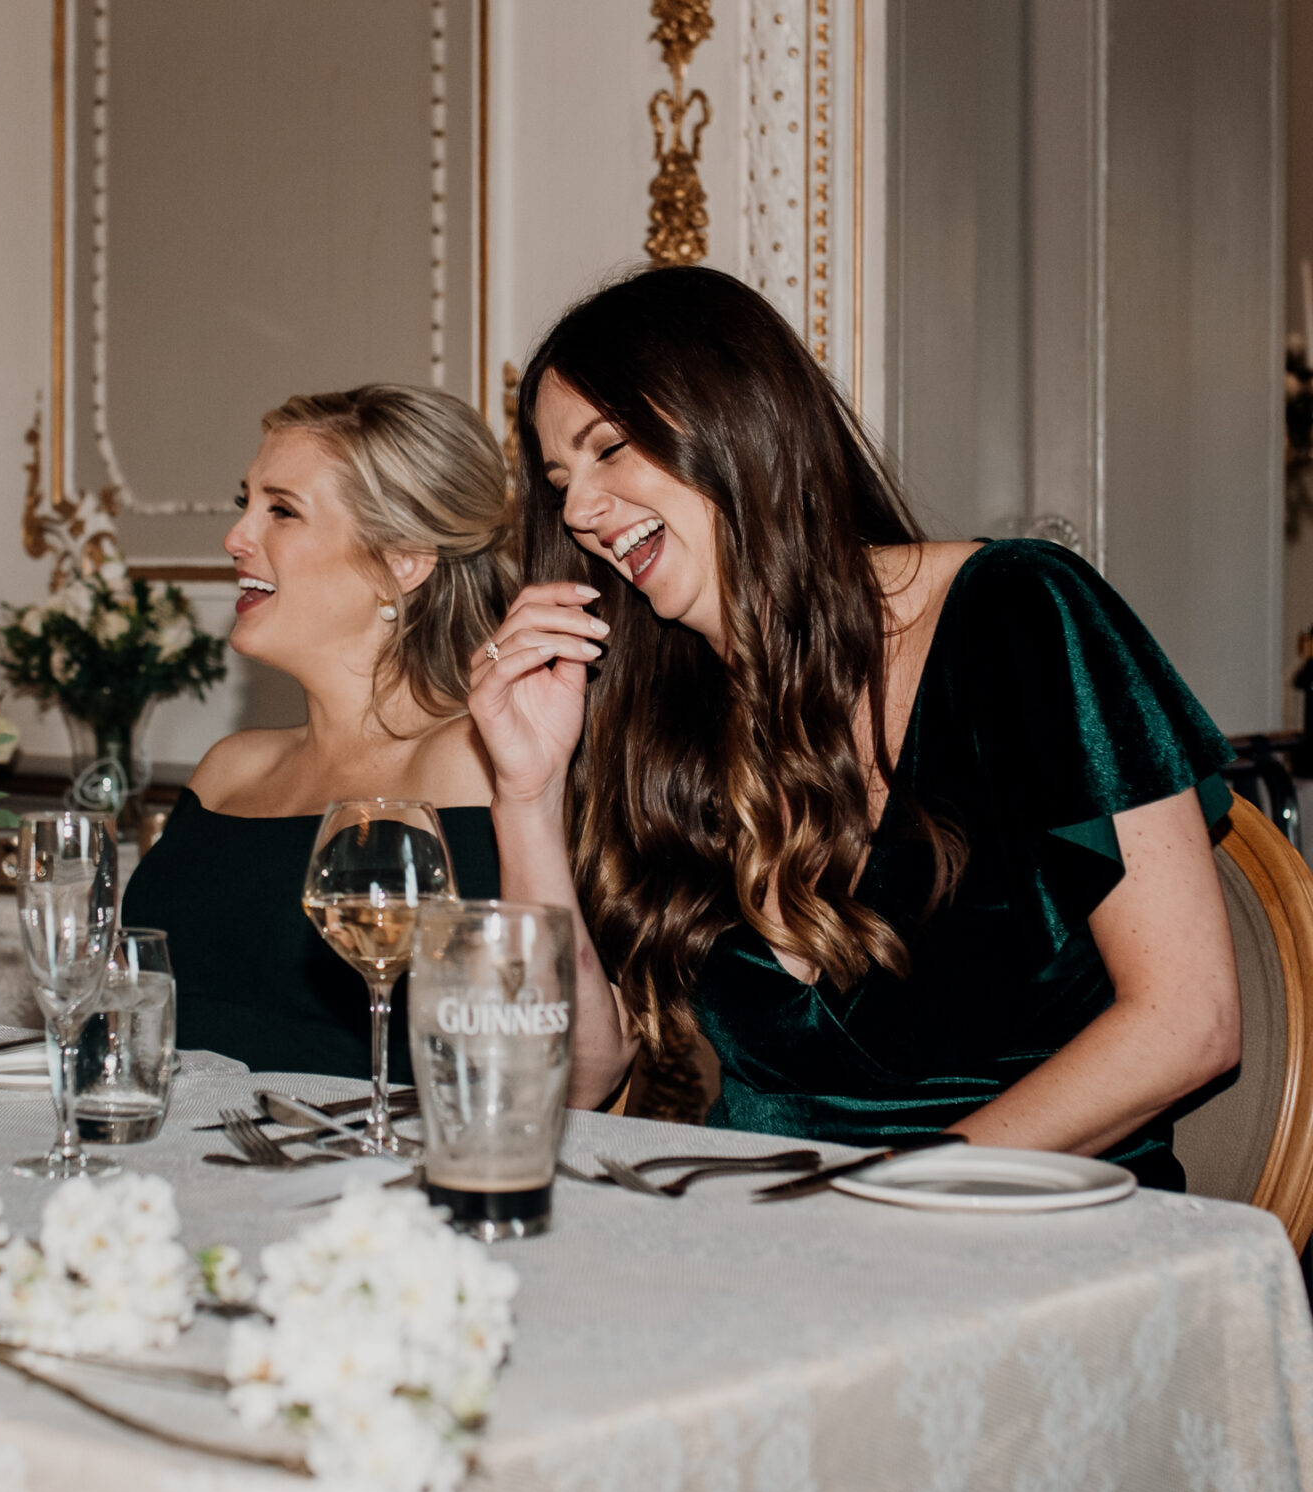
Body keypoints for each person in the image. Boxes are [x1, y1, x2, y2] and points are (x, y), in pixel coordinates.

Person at [471, 266, 1238, 1188]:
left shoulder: (1020, 615)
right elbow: (580, 1077)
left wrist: (883, 1196)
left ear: (737, 419)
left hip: (1034, 1228)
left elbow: (1189, 1022)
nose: (580, 512)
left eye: (610, 449)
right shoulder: (655, 723)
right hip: (769, 1233)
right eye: (559, 481)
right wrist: (526, 792)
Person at [122, 384, 515, 1078]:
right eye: (245, 503)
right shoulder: (228, 771)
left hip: (363, 1169)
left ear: (401, 559)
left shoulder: (469, 766)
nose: (236, 537)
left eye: (281, 510)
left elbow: (508, 1048)